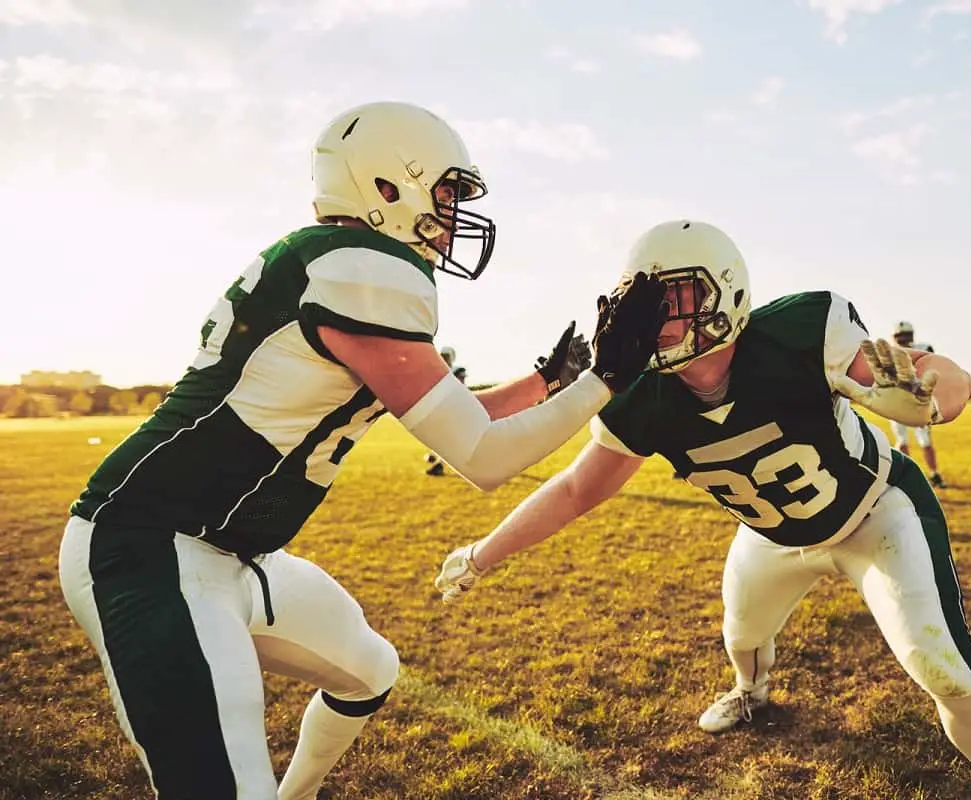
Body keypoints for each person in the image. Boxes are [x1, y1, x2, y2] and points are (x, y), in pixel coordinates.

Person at [57, 100, 666, 800]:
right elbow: (483, 457)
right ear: (385, 188)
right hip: (151, 549)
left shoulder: (335, 265)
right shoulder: (364, 268)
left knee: (368, 671)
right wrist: (605, 380)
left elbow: (456, 417)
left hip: (231, 551)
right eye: (447, 192)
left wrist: (546, 383)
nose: (454, 214)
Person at [437, 220, 971, 800]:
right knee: (742, 633)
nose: (657, 320)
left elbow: (920, 373)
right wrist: (480, 555)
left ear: (723, 289)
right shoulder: (639, 395)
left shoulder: (801, 331)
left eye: (673, 296)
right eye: (643, 303)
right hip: (769, 533)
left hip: (875, 511)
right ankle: (751, 693)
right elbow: (574, 491)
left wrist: (935, 386)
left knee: (941, 665)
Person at [890, 321, 946, 488]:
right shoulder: (889, 354)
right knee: (902, 440)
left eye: (906, 335)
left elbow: (934, 370)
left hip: (919, 403)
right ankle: (907, 476)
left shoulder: (922, 349)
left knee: (925, 441)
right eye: (900, 336)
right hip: (897, 402)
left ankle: (934, 474)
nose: (903, 339)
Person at [425, 347, 466, 476]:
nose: (443, 358)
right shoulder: (435, 370)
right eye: (442, 355)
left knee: (449, 440)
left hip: (454, 408)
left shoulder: (457, 371)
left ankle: (439, 464)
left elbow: (460, 388)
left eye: (446, 356)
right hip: (440, 409)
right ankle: (435, 456)